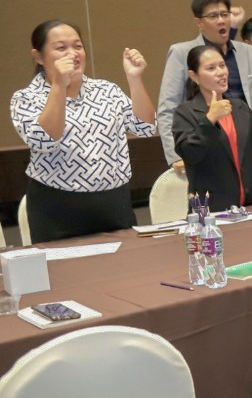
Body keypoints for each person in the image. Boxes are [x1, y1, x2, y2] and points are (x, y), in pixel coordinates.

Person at [9, 21, 156, 243]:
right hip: (58, 209)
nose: (73, 54)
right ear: (38, 57)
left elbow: (146, 127)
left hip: (115, 204)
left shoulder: (106, 90)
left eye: (78, 46)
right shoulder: (26, 98)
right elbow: (45, 140)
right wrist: (59, 85)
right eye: (61, 48)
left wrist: (134, 78)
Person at [157, 0, 252, 174]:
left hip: (245, 147)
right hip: (204, 145)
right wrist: (176, 156)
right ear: (199, 22)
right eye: (213, 16)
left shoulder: (246, 51)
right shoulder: (181, 52)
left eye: (224, 14)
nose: (221, 21)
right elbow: (168, 108)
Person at [172, 45, 252, 211]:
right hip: (213, 208)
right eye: (211, 68)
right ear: (194, 76)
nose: (221, 72)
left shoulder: (239, 107)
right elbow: (189, 153)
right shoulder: (186, 112)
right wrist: (209, 119)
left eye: (222, 66)